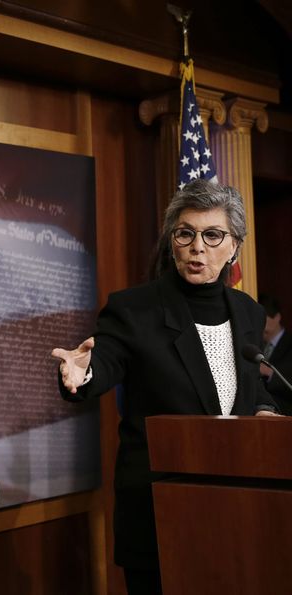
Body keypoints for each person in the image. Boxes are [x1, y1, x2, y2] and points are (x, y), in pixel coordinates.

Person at [50, 178, 280, 595]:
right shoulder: (134, 308)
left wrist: (264, 413)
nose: (197, 247)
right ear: (172, 240)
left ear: (235, 247)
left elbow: (249, 386)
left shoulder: (249, 312)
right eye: (185, 233)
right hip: (159, 511)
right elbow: (106, 360)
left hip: (237, 506)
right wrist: (82, 370)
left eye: (212, 235)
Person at [258, 294, 292, 415]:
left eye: (263, 319)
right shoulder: (257, 344)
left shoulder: (289, 344)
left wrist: (270, 372)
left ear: (277, 317)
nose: (259, 324)